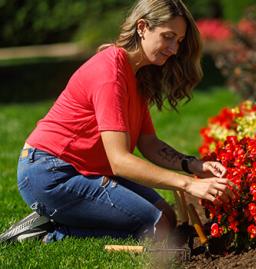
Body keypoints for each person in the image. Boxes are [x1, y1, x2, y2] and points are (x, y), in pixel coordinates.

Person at [0, 0, 235, 244]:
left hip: (85, 169)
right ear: (142, 27)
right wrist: (188, 185)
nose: (174, 49)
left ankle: (62, 217)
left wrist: (193, 166)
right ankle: (49, 231)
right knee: (156, 225)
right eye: (168, 37)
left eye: (179, 41)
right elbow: (120, 161)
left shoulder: (137, 76)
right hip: (50, 172)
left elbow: (149, 143)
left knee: (165, 215)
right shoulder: (110, 73)